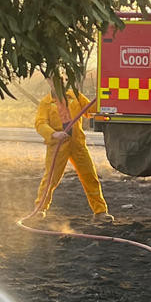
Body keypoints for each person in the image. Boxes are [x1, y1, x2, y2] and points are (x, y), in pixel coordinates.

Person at [33, 79, 114, 222]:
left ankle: (100, 212)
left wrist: (103, 96)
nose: (59, 82)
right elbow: (40, 123)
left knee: (90, 176)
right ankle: (39, 209)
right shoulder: (45, 103)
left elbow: (90, 110)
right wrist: (53, 134)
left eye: (62, 78)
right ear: (49, 82)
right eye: (54, 79)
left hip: (78, 144)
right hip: (58, 146)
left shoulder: (76, 96)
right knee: (50, 179)